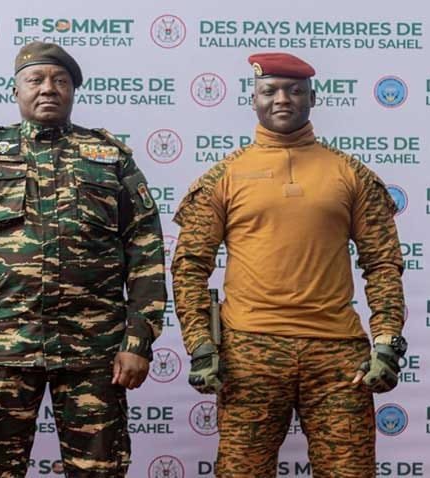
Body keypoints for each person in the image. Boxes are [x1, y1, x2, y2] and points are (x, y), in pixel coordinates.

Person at [0, 41, 166, 477]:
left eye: (60, 80)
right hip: (2, 350)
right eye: (35, 80)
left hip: (94, 352)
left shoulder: (110, 159)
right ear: (16, 90)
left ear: (73, 91)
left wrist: (138, 340)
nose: (48, 88)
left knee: (99, 470)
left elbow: (146, 251)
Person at [172, 52, 406, 477]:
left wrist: (388, 338)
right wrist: (201, 345)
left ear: (311, 99)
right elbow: (189, 264)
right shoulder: (224, 177)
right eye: (270, 91)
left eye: (295, 91)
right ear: (254, 99)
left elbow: (383, 264)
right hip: (249, 352)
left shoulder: (350, 174)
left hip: (337, 356)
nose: (283, 99)